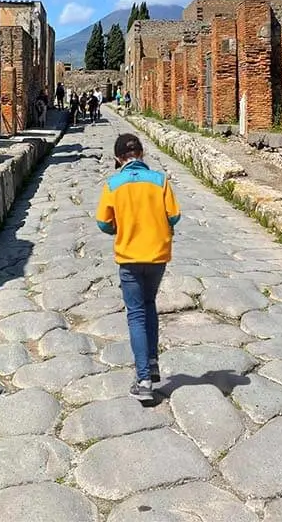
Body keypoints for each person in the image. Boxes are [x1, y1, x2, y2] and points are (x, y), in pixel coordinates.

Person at [95, 133, 181, 403]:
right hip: (157, 255)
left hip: (129, 256)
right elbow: (174, 215)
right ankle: (152, 362)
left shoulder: (113, 184)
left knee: (135, 314)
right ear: (141, 154)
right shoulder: (160, 180)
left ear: (118, 158)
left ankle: (143, 378)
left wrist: (119, 228)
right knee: (149, 303)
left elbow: (103, 223)